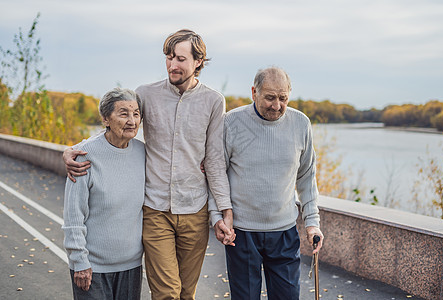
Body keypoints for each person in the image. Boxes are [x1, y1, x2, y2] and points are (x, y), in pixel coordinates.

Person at [63, 29, 235, 300]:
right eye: (168, 57)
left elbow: (214, 159)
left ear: (198, 62)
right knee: (167, 293)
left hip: (195, 210)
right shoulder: (146, 94)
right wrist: (77, 149)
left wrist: (224, 210)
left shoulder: (213, 101)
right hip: (155, 211)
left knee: (186, 294)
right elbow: (118, 122)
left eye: (180, 58)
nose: (172, 65)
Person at [209, 67, 324, 299]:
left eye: (283, 98)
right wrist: (217, 216)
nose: (277, 105)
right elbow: (216, 174)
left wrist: (312, 222)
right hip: (241, 234)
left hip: (284, 233)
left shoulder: (301, 124)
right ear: (254, 92)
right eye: (270, 97)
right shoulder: (231, 122)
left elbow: (306, 176)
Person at [62, 88, 145, 299]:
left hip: (131, 265)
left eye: (136, 113)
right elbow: (73, 215)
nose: (132, 121)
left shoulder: (143, 153)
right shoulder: (83, 156)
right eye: (123, 113)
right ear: (106, 119)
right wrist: (79, 261)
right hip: (92, 267)